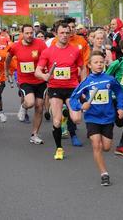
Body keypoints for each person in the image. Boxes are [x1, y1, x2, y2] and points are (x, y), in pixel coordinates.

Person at [70, 51, 123, 186]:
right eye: (96, 62)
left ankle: (103, 164)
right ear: (89, 65)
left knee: (106, 147)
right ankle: (104, 173)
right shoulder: (86, 82)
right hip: (92, 118)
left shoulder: (109, 79)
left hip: (108, 117)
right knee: (96, 145)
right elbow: (73, 99)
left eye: (101, 62)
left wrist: (121, 107)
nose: (99, 64)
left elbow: (119, 92)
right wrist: (82, 105)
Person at [35, 21, 86, 160]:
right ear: (55, 34)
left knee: (76, 119)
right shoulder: (48, 51)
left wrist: (84, 85)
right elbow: (37, 71)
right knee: (56, 122)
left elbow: (82, 68)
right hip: (55, 88)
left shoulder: (75, 50)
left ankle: (66, 111)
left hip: (72, 88)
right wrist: (44, 75)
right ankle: (59, 148)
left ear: (70, 34)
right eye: (62, 33)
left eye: (67, 33)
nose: (64, 35)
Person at [5, 24, 47, 144]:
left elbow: (47, 57)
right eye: (27, 33)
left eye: (31, 33)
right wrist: (7, 70)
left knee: (39, 107)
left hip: (40, 79)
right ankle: (23, 107)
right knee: (30, 102)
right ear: (21, 33)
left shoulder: (40, 44)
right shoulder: (15, 46)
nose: (29, 35)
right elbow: (8, 58)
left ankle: (34, 134)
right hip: (25, 80)